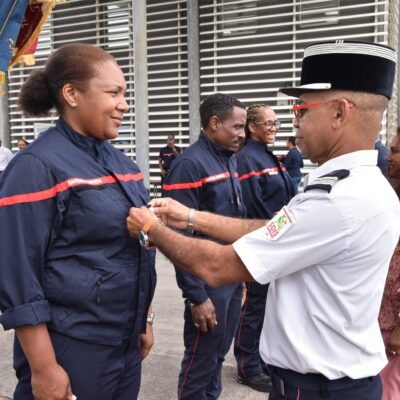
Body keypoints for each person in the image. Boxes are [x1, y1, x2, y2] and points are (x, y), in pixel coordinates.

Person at [127, 40, 400, 400]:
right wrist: (192, 216)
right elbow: (275, 230)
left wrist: (152, 229)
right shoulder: (359, 186)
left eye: (302, 108)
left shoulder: (337, 200)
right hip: (325, 382)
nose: (295, 120)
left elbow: (217, 265)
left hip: (318, 388)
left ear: (339, 113)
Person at [0, 43, 156, 400]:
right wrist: (43, 369)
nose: (124, 104)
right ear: (71, 93)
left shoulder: (121, 164)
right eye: (113, 93)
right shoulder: (36, 167)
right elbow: (18, 275)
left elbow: (138, 252)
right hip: (71, 345)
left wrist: (145, 320)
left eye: (125, 93)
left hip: (124, 341)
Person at [161, 92, 246, 400]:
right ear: (214, 123)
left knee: (217, 357)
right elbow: (177, 237)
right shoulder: (190, 165)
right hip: (207, 285)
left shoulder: (227, 160)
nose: (242, 134)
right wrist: (197, 296)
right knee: (200, 363)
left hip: (230, 279)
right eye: (236, 127)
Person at [234, 104, 293, 393]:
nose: (273, 128)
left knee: (269, 307)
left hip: (278, 242)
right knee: (254, 307)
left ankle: (262, 358)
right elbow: (254, 206)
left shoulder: (268, 156)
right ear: (251, 127)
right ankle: (247, 366)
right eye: (267, 124)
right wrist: (279, 232)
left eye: (275, 124)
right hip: (264, 243)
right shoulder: (247, 159)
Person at [379, 128, 400, 400]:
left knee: (389, 389)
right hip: (379, 314)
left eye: (395, 151)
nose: (388, 156)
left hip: (393, 323)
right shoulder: (390, 192)